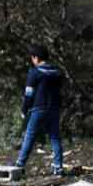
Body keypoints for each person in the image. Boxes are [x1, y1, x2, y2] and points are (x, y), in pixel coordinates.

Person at [15, 45, 64, 176]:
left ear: (36, 58)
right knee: (54, 137)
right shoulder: (57, 72)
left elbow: (29, 93)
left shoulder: (34, 72)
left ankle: (20, 164)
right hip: (54, 108)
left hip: (39, 107)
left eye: (32, 58)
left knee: (30, 135)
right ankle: (58, 167)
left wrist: (24, 109)